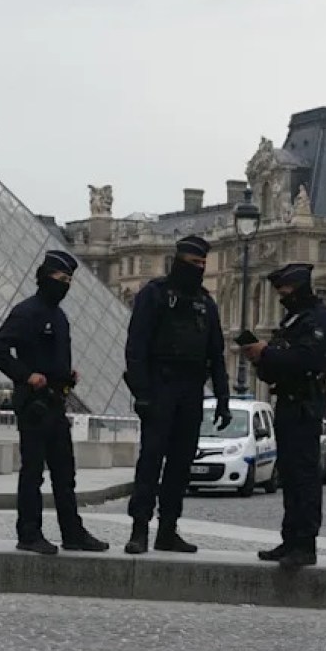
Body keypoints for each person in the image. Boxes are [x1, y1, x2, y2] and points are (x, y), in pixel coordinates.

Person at [0, 250, 109, 556]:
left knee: (65, 472)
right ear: (44, 277)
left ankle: (72, 533)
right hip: (34, 405)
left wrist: (68, 375)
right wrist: (26, 375)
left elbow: (52, 357)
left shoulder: (60, 316)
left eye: (69, 280)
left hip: (57, 401)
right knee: (33, 472)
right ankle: (29, 533)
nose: (65, 285)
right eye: (61, 278)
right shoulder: (27, 312)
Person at [123, 235, 231, 555]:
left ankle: (168, 528)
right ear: (179, 261)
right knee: (151, 461)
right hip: (160, 386)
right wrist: (142, 393)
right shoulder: (153, 295)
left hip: (191, 390)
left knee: (181, 464)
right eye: (193, 263)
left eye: (202, 264)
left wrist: (223, 398)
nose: (198, 269)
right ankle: (139, 528)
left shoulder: (205, 303)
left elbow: (217, 354)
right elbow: (136, 348)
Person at [242, 263, 326, 570]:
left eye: (284, 290)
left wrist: (267, 353)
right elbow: (278, 365)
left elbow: (308, 359)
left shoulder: (321, 319)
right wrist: (260, 359)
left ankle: (305, 544)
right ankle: (290, 539)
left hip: (305, 403)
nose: (281, 296)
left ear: (298, 287)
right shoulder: (294, 319)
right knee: (288, 473)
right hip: (286, 401)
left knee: (304, 476)